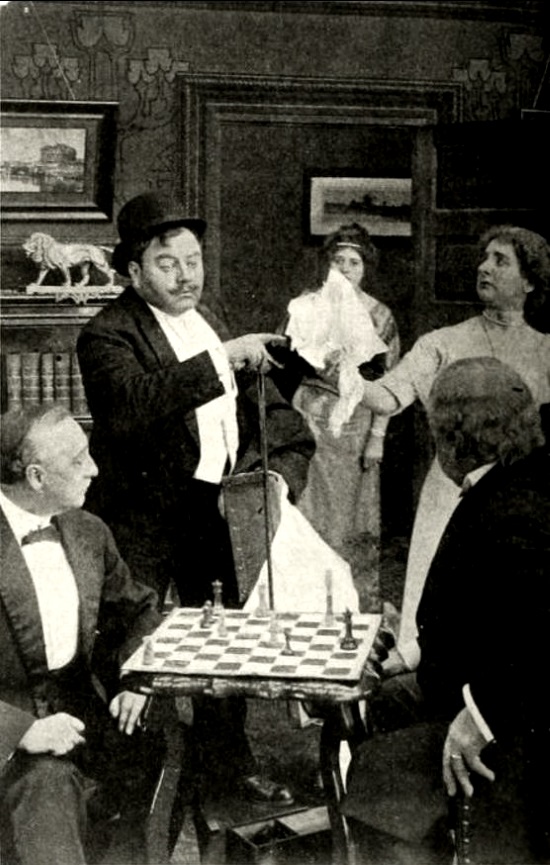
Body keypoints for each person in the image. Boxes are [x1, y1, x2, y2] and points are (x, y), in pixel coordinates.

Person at [77, 191, 314, 803]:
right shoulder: (105, 334)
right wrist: (222, 360)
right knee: (130, 648)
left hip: (215, 510)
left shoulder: (212, 318)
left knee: (224, 641)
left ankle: (225, 769)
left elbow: (266, 415)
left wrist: (269, 476)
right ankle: (131, 782)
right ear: (133, 272)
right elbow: (130, 407)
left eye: (194, 260)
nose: (187, 276)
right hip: (139, 520)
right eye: (168, 264)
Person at [342, 357, 550, 864]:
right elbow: (483, 617)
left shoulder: (515, 513)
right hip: (485, 687)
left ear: (452, 440)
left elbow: (538, 637)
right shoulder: (514, 477)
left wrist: (479, 718)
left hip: (518, 725)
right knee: (387, 699)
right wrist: (411, 655)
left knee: (375, 768)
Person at [358, 225, 550, 671]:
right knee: (435, 610)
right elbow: (387, 397)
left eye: (500, 260)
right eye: (484, 258)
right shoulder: (443, 342)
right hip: (451, 493)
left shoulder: (546, 351)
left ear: (529, 281)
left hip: (524, 501)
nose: (484, 267)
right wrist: (341, 375)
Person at [0, 404, 165, 865]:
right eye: (77, 460)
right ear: (35, 477)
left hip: (82, 716)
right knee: (48, 785)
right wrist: (20, 731)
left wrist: (137, 678)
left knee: (163, 753)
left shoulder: (87, 530)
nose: (94, 469)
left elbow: (142, 609)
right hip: (11, 731)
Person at [283, 223, 400, 609]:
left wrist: (377, 436)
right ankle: (306, 602)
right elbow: (284, 360)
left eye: (354, 262)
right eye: (339, 261)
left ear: (365, 268)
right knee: (307, 512)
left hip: (355, 423)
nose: (346, 269)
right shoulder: (306, 305)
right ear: (327, 265)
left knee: (350, 517)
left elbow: (389, 383)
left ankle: (352, 605)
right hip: (307, 415)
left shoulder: (380, 315)